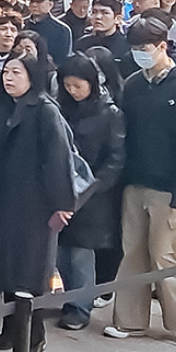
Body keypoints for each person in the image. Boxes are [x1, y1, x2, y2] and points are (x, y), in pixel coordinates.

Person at [106, 18, 176, 340]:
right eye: (134, 48)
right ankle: (129, 320)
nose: (139, 54)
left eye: (145, 48)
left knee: (168, 258)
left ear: (163, 46)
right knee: (132, 254)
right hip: (134, 183)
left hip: (168, 188)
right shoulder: (134, 83)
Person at [0, 54, 75, 352]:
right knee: (7, 267)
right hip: (1, 200)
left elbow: (58, 159)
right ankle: (11, 329)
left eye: (16, 73)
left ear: (32, 76)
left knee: (31, 272)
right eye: (6, 72)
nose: (8, 78)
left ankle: (34, 336)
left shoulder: (45, 110)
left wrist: (61, 203)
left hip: (34, 204)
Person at [56, 53, 126, 331]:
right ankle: (69, 299)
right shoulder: (61, 108)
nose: (72, 91)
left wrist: (94, 184)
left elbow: (116, 157)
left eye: (78, 85)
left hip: (92, 194)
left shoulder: (110, 113)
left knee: (81, 253)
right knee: (62, 251)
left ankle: (80, 307)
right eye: (67, 86)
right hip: (63, 187)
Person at [78, 0, 131, 64]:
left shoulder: (127, 46)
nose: (98, 17)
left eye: (105, 13)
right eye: (94, 12)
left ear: (117, 19)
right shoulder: (81, 44)